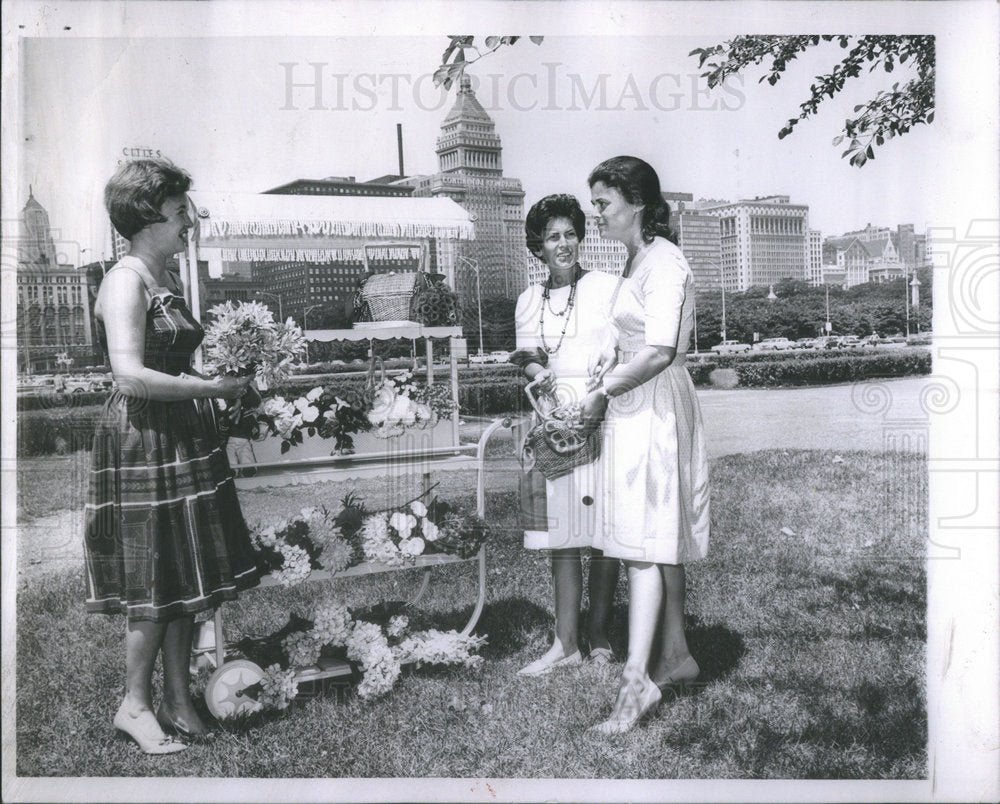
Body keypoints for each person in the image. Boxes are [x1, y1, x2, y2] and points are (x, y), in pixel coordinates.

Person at [84, 159, 260, 754]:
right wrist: (211, 390)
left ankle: (179, 700)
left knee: (185, 573)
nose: (190, 219)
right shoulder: (125, 281)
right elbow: (130, 376)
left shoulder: (164, 279)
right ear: (147, 217)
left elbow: (178, 363)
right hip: (145, 438)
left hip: (181, 432)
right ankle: (134, 705)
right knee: (153, 578)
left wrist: (228, 380)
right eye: (181, 211)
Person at [580, 156, 711, 734]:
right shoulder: (635, 258)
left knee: (643, 543)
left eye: (603, 203)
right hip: (635, 404)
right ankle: (677, 655)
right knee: (653, 537)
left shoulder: (666, 260)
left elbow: (660, 350)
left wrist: (600, 391)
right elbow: (632, 334)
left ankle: (637, 685)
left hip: (655, 406)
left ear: (635, 202)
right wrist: (608, 355)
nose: (596, 214)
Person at [511, 194, 622, 676]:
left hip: (600, 413)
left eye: (570, 234)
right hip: (553, 420)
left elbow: (621, 348)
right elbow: (528, 356)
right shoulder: (529, 299)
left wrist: (594, 400)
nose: (563, 244)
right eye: (553, 236)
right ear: (538, 246)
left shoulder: (605, 287)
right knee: (563, 536)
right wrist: (541, 375)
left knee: (600, 536)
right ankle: (565, 642)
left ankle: (598, 634)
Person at [218, 384, 261, 478]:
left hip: (229, 439)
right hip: (243, 438)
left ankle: (232, 470)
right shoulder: (248, 415)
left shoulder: (229, 411)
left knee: (229, 454)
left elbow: (224, 424)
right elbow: (254, 428)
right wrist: (256, 432)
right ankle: (248, 468)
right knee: (245, 453)